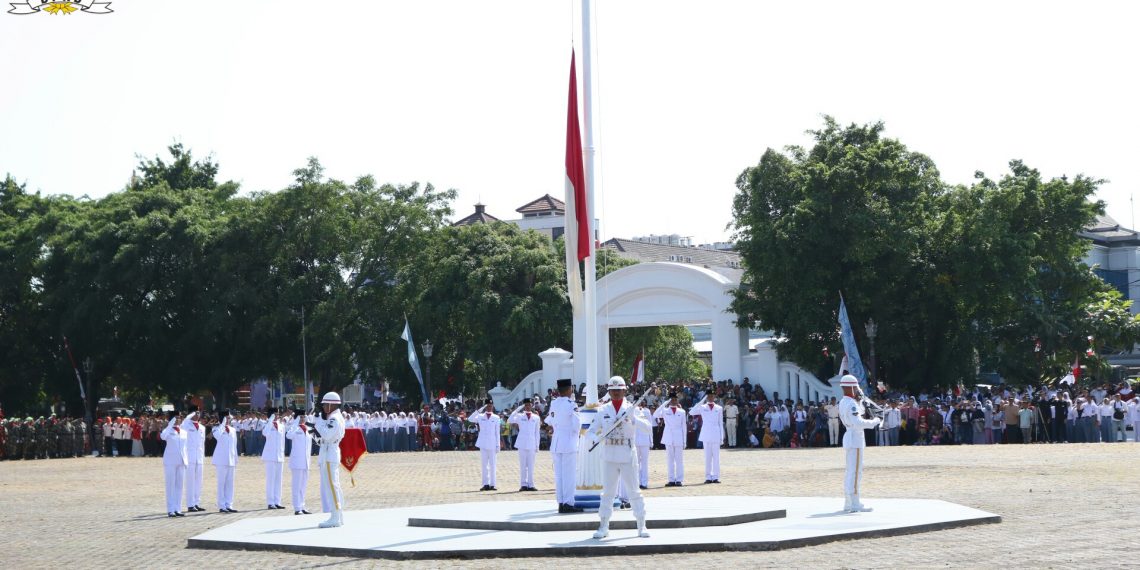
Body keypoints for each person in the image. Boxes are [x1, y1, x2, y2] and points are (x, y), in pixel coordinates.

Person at [586, 377, 651, 540]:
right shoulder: (603, 410)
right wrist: (597, 438)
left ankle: (641, 524)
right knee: (608, 492)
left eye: (619, 390)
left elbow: (648, 429)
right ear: (609, 391)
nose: (615, 393)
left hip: (627, 452)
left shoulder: (632, 408)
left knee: (634, 491)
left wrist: (634, 419)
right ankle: (603, 525)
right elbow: (590, 431)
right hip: (609, 453)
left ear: (624, 391)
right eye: (613, 390)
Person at [838, 375, 881, 513]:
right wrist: (874, 422)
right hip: (855, 439)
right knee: (856, 472)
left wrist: (862, 401)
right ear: (851, 387)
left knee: (850, 471)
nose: (857, 390)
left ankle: (848, 502)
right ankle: (855, 503)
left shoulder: (844, 402)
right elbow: (858, 422)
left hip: (851, 438)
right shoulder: (850, 404)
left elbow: (858, 414)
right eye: (855, 388)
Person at [545, 378, 583, 513]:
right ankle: (568, 503)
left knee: (559, 475)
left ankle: (561, 502)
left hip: (556, 442)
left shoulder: (554, 403)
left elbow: (550, 420)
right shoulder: (571, 404)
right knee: (569, 475)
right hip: (568, 442)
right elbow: (576, 425)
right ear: (569, 389)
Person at [313, 391, 347, 528]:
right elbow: (321, 440)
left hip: (329, 455)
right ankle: (338, 515)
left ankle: (335, 517)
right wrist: (313, 430)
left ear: (332, 405)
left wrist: (318, 423)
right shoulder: (333, 417)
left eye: (325, 404)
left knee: (332, 487)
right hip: (328, 452)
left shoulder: (334, 419)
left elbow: (326, 435)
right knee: (333, 486)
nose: (323, 407)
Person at [689, 391, 724, 484]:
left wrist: (722, 437)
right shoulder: (702, 407)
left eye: (712, 396)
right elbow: (691, 412)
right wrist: (702, 400)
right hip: (706, 433)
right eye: (709, 396)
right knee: (707, 457)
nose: (710, 397)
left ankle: (716, 476)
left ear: (714, 397)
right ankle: (708, 476)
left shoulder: (719, 408)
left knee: (716, 457)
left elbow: (720, 423)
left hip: (716, 433)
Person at [653, 392, 687, 486]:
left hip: (679, 436)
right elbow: (655, 414)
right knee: (670, 460)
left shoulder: (682, 411)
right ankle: (671, 479)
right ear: (669, 401)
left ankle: (679, 479)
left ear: (677, 400)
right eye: (672, 399)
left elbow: (684, 427)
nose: (674, 401)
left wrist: (685, 441)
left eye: (675, 399)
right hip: (668, 436)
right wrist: (664, 403)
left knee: (679, 460)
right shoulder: (664, 410)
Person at [508, 399, 541, 491]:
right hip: (522, 443)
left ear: (532, 406)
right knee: (523, 465)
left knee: (531, 465)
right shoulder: (519, 416)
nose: (527, 406)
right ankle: (523, 484)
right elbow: (510, 420)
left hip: (532, 443)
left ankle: (531, 484)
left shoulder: (536, 417)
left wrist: (537, 445)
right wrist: (518, 408)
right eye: (526, 405)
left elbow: (537, 432)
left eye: (529, 405)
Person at [160, 412, 188, 517]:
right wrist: (170, 424)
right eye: (176, 418)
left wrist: (186, 460)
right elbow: (163, 436)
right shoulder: (167, 431)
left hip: (181, 461)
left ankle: (178, 508)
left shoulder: (184, 432)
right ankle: (170, 509)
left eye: (179, 418)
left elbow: (185, 448)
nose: (178, 420)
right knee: (170, 485)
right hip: (170, 461)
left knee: (179, 486)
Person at [286, 409, 313, 515]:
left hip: (306, 461)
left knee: (303, 485)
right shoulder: (295, 428)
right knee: (296, 485)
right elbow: (289, 435)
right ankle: (297, 508)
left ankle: (302, 505)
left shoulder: (307, 428)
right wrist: (295, 423)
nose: (302, 419)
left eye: (303, 417)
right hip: (297, 461)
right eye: (300, 417)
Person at [212, 410, 239, 513]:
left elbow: (234, 445)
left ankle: (229, 504)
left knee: (230, 483)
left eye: (229, 418)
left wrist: (235, 458)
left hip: (231, 459)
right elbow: (218, 436)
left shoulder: (232, 430)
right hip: (221, 460)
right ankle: (222, 505)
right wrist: (222, 424)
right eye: (227, 418)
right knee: (221, 483)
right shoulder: (216, 429)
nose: (229, 419)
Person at [181, 409, 207, 512]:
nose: (197, 415)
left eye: (198, 413)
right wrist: (189, 415)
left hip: (199, 457)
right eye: (195, 413)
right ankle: (190, 504)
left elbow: (202, 444)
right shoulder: (186, 425)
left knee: (198, 482)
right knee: (190, 481)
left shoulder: (202, 428)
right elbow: (182, 425)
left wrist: (203, 457)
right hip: (190, 456)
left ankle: (196, 502)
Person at [473, 399, 501, 491]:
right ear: (485, 406)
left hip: (493, 443)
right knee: (484, 465)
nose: (489, 407)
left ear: (492, 406)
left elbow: (497, 433)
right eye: (487, 405)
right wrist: (480, 409)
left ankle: (493, 484)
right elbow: (470, 418)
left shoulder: (496, 417)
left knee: (493, 465)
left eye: (490, 405)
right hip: (483, 443)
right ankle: (485, 484)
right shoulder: (480, 416)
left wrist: (498, 445)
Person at [262, 411, 287, 510]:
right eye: (275, 414)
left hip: (279, 455)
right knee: (271, 480)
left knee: (278, 480)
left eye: (277, 414)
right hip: (270, 456)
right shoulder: (267, 425)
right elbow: (265, 433)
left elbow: (283, 441)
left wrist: (283, 453)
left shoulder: (281, 426)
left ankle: (277, 501)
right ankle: (270, 502)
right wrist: (270, 420)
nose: (277, 416)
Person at [633, 400, 653, 489]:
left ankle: (644, 482)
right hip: (635, 440)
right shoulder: (632, 410)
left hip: (645, 439)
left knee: (644, 462)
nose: (640, 404)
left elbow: (650, 426)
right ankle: (636, 482)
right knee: (636, 463)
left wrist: (651, 440)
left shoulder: (647, 411)